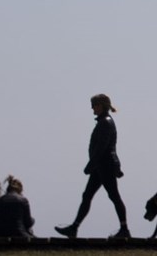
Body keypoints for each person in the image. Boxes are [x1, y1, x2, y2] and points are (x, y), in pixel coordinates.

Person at [55, 94, 130, 239]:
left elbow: (101, 148)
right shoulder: (104, 122)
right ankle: (74, 227)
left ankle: (124, 228)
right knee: (88, 195)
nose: (92, 108)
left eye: (94, 105)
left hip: (105, 165)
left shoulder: (105, 123)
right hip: (100, 166)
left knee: (113, 195)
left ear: (101, 106)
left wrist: (90, 165)